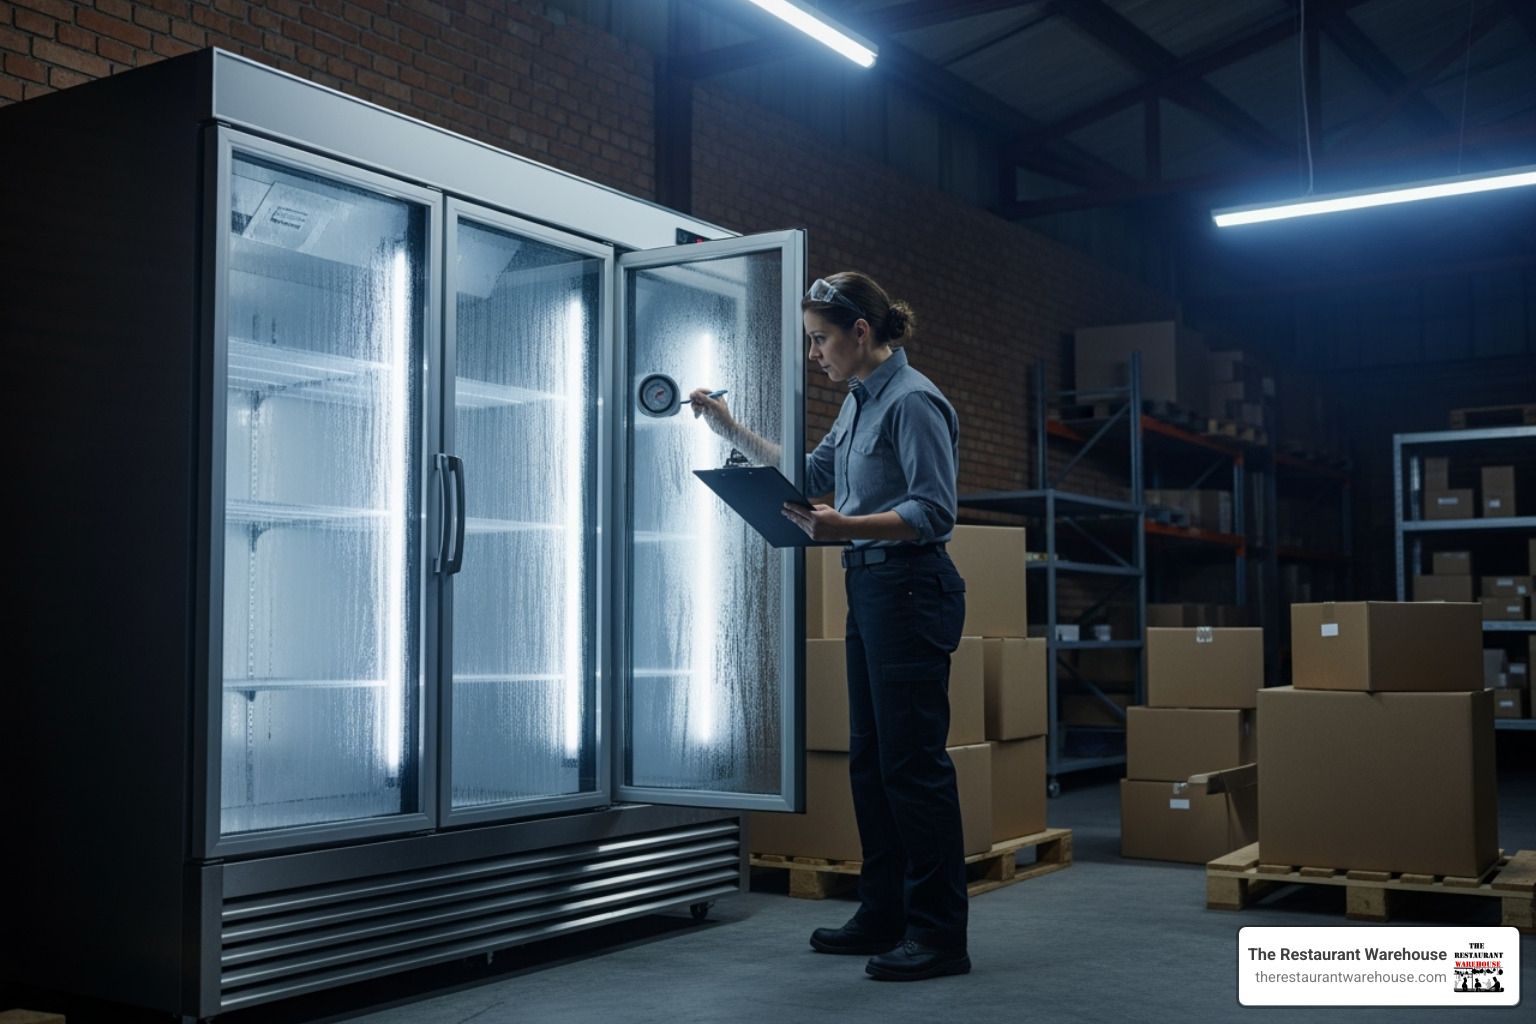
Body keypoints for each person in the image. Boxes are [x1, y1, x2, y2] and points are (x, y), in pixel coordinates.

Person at [690, 271, 969, 982]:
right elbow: (809, 474)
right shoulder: (858, 403)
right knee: (872, 763)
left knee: (913, 766)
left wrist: (844, 526)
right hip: (871, 587)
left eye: (820, 340)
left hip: (911, 589)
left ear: (862, 334)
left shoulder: (914, 402)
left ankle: (939, 936)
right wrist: (729, 429)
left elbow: (934, 511)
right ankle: (885, 912)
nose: (815, 354)